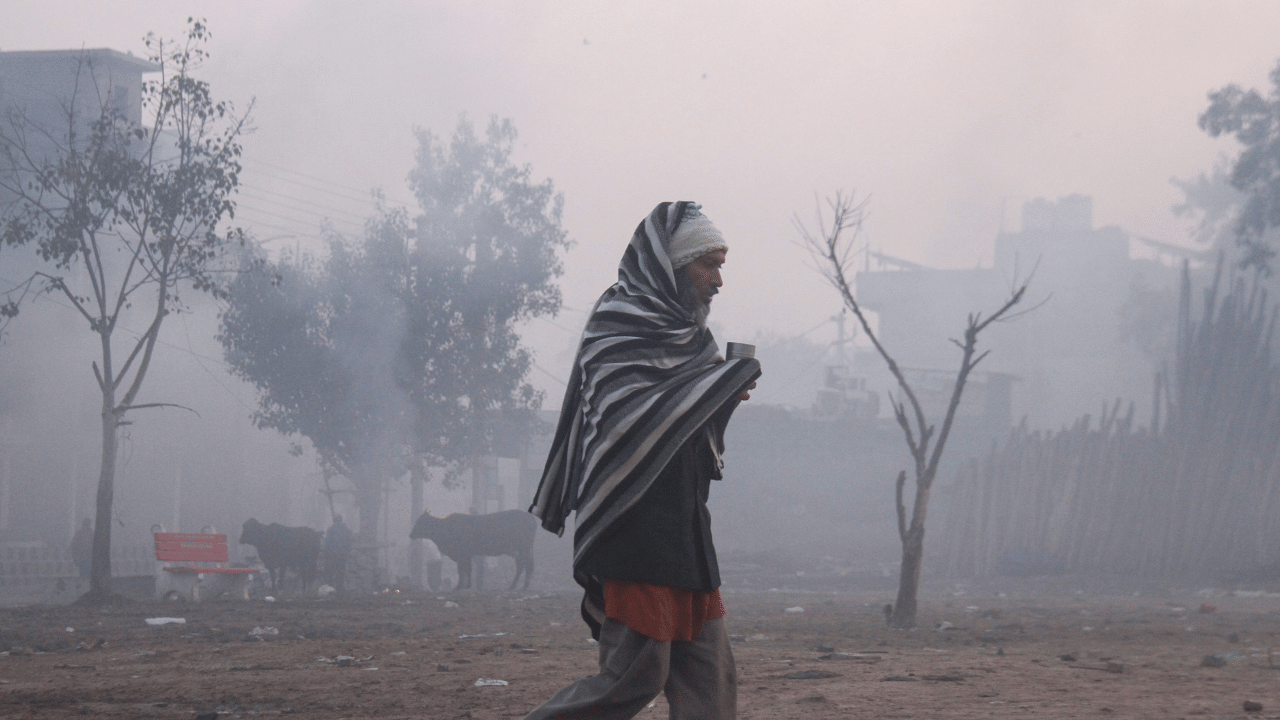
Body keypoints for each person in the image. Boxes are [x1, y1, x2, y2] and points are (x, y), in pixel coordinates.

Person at [525, 202, 760, 720]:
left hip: (686, 530)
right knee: (632, 680)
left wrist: (716, 399)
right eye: (709, 265)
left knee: (711, 684)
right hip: (631, 528)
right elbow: (626, 423)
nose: (719, 280)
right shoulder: (617, 324)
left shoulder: (694, 341)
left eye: (722, 266)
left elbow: (683, 433)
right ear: (671, 267)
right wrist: (705, 389)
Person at [322, 515, 354, 593]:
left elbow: (327, 542)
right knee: (340, 572)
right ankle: (339, 588)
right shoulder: (345, 530)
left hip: (333, 555)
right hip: (340, 555)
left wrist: (326, 552)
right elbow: (349, 542)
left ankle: (332, 588)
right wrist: (347, 552)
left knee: (332, 572)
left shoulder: (331, 529)